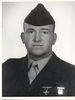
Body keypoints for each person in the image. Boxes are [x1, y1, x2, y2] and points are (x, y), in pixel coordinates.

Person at [2, 3, 75, 96]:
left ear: (54, 38)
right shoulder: (7, 68)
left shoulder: (71, 74)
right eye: (31, 31)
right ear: (22, 37)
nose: (37, 39)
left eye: (44, 32)